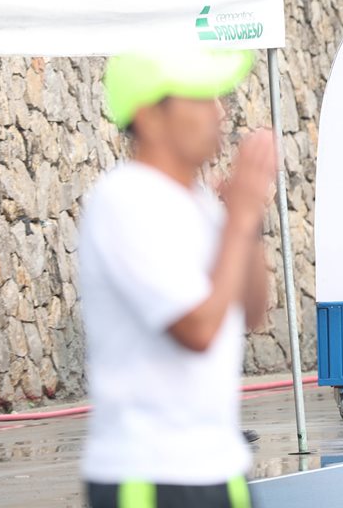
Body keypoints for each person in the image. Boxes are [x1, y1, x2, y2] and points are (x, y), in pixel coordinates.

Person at [78, 48, 276, 508]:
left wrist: (247, 224)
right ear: (149, 116)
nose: (219, 111)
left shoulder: (201, 203)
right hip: (148, 476)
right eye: (200, 97)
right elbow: (197, 328)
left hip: (221, 467)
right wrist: (241, 217)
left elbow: (252, 310)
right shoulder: (124, 201)